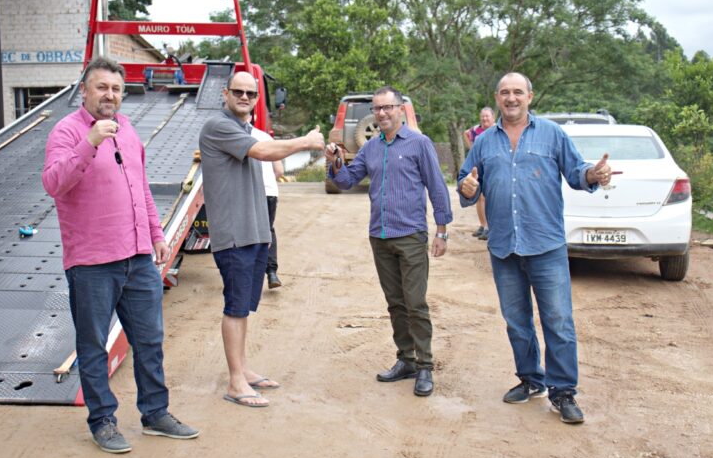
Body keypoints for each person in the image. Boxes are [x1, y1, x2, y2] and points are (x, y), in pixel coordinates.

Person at [42, 57, 198, 453]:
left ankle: (156, 414)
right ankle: (103, 421)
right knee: (92, 345)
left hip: (138, 258)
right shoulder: (66, 132)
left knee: (150, 340)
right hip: (92, 263)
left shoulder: (128, 130)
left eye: (115, 88)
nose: (109, 95)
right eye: (101, 88)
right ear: (85, 91)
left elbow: (140, 188)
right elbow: (55, 183)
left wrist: (155, 234)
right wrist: (90, 141)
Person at [457, 72, 613, 424]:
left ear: (530, 96)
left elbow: (577, 172)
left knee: (558, 321)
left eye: (518, 92)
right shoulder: (483, 143)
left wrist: (594, 174)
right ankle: (530, 380)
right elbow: (467, 185)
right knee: (517, 321)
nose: (511, 98)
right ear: (497, 98)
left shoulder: (552, 135)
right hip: (504, 248)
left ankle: (563, 392)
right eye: (505, 93)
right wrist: (466, 188)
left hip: (546, 245)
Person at [198, 71, 325, 407]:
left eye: (250, 94)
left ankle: (243, 370)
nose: (244, 97)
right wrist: (306, 142)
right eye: (238, 92)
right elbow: (267, 153)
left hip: (253, 234)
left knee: (244, 309)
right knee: (235, 306)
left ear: (257, 99)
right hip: (235, 236)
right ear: (225, 93)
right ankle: (236, 381)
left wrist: (265, 236)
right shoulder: (219, 127)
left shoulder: (245, 130)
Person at [325, 85, 453, 397]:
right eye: (377, 108)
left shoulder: (419, 143)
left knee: (416, 303)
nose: (381, 113)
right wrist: (335, 161)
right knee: (395, 303)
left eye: (387, 108)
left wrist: (441, 231)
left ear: (400, 110)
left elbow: (437, 187)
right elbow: (344, 181)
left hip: (410, 235)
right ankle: (405, 360)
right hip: (379, 236)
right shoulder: (370, 147)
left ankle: (425, 366)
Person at [250, 125, 284, 289]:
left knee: (248, 231)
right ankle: (271, 273)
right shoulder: (266, 138)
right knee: (268, 230)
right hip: (270, 192)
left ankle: (249, 275)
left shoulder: (236, 135)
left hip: (249, 192)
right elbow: (279, 170)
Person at [463, 107, 496, 240]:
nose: (484, 119)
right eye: (482, 116)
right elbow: (465, 133)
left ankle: (491, 227)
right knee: (479, 197)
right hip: (478, 166)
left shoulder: (497, 129)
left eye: (487, 116)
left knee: (490, 197)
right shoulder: (476, 129)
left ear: (493, 117)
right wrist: (471, 148)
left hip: (492, 166)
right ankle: (483, 225)